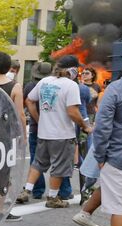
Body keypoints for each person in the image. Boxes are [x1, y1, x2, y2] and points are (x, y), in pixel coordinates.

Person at [17, 55, 92, 208]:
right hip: (63, 134)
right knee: (59, 167)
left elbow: (29, 101)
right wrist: (85, 126)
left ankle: (27, 191)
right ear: (72, 69)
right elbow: (72, 111)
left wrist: (39, 119)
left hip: (44, 133)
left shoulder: (45, 81)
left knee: (38, 163)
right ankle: (52, 197)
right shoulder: (71, 86)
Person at [92, 69, 122, 226]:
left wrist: (100, 156)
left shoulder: (116, 89)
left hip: (119, 157)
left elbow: (103, 127)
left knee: (121, 208)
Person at [0, 51, 25, 222]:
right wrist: (22, 135)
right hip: (5, 134)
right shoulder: (15, 87)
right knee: (3, 172)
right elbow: (20, 115)